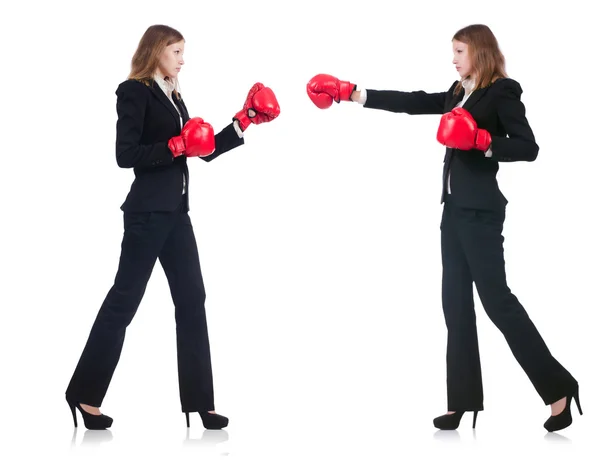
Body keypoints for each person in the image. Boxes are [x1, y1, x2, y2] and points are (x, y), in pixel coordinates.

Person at [305, 24, 581, 432]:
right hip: (453, 211)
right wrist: (354, 93)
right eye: (453, 52)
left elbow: (529, 147)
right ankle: (462, 401)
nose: (453, 59)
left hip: (482, 213)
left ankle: (559, 388)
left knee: (497, 303)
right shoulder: (459, 91)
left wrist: (484, 139)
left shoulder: (503, 91)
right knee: (454, 305)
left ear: (480, 53)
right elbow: (416, 102)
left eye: (459, 51)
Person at [65, 24, 280, 430]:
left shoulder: (174, 94)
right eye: (176, 51)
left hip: (177, 215)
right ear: (156, 51)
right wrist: (173, 146)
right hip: (147, 215)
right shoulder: (134, 91)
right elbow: (125, 155)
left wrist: (245, 119)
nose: (183, 59)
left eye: (183, 51)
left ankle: (200, 403)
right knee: (124, 302)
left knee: (192, 300)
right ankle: (84, 395)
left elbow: (203, 150)